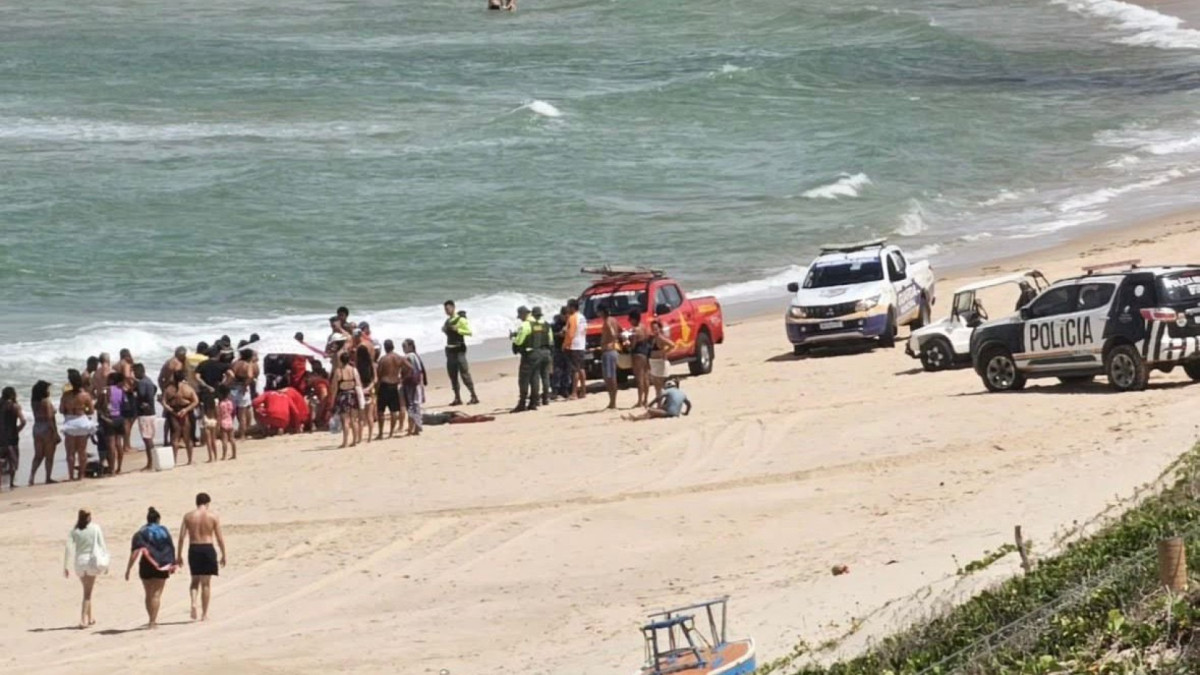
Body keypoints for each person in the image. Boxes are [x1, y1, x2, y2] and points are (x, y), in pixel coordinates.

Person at [178, 492, 227, 622]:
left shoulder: (188, 516)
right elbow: (219, 537)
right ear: (207, 503)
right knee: (206, 583)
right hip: (207, 548)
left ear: (197, 503)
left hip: (194, 549)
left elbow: (181, 538)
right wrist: (223, 554)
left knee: (194, 581)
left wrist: (178, 556)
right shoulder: (213, 516)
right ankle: (204, 614)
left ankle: (194, 602)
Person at [125, 507, 176, 629]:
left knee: (148, 594)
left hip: (146, 564)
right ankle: (153, 621)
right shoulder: (164, 531)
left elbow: (135, 552)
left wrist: (128, 569)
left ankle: (150, 619)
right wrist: (172, 563)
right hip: (161, 564)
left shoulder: (141, 532)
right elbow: (170, 547)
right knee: (157, 594)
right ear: (158, 519)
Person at [64, 509, 109, 628]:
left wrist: (65, 566)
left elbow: (68, 548)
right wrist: (106, 562)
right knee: (87, 593)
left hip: (79, 562)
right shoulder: (95, 528)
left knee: (87, 589)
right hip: (90, 561)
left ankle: (90, 618)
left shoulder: (75, 530)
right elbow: (102, 545)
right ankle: (83, 620)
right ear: (88, 517)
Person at [195, 350, 232, 463]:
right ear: (217, 355)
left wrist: (205, 385)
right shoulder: (222, 365)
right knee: (216, 424)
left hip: (206, 395)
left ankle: (212, 457)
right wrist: (224, 384)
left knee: (208, 427)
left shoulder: (202, 364)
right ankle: (221, 454)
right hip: (217, 394)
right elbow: (231, 374)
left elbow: (197, 377)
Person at [60, 370, 96, 482]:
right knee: (82, 451)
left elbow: (61, 410)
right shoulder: (85, 395)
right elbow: (91, 411)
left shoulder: (66, 395)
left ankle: (71, 476)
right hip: (82, 422)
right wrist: (83, 408)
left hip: (70, 423)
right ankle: (81, 475)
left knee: (70, 452)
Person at [442, 301, 480, 406]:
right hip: (449, 350)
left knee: (465, 374)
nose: (446, 311)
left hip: (459, 350)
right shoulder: (448, 321)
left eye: (448, 308)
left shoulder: (461, 320)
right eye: (445, 309)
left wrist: (458, 329)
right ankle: (457, 398)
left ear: (453, 308)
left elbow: (469, 332)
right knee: (452, 375)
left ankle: (474, 396)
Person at [330, 350, 363, 448]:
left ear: (340, 360)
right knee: (354, 419)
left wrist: (332, 401)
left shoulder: (338, 371)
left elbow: (334, 387)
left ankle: (345, 442)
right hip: (352, 395)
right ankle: (354, 441)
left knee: (345, 420)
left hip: (343, 396)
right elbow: (358, 384)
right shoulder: (354, 370)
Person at [29, 381, 60, 485]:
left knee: (38, 455)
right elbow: (50, 418)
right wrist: (55, 433)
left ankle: (31, 477)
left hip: (37, 427)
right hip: (47, 428)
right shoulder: (46, 401)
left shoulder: (34, 402)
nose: (49, 390)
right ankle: (48, 478)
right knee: (49, 456)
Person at [158, 347, 187, 449]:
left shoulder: (167, 362)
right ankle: (177, 439)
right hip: (175, 391)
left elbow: (160, 378)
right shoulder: (178, 364)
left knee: (168, 417)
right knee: (178, 416)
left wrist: (163, 389)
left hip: (167, 390)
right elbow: (178, 379)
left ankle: (166, 440)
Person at [376, 340, 405, 440]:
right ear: (393, 346)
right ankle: (391, 433)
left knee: (381, 411)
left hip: (384, 385)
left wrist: (376, 388)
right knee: (394, 411)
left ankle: (380, 433)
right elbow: (410, 367)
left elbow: (378, 375)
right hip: (394, 385)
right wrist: (402, 378)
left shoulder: (383, 359)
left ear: (385, 348)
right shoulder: (399, 357)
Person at [623, 379, 691, 421]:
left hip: (670, 414)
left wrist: (650, 404)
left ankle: (636, 419)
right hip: (676, 414)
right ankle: (637, 418)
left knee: (650, 411)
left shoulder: (669, 390)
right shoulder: (682, 393)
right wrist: (686, 413)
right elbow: (689, 404)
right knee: (655, 413)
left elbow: (658, 398)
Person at [169, 370, 199, 465]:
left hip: (175, 412)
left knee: (175, 437)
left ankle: (174, 460)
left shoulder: (169, 389)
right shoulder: (188, 388)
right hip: (186, 413)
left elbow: (164, 402)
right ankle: (190, 460)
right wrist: (186, 410)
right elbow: (196, 401)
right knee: (188, 437)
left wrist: (171, 410)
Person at [510, 306, 536, 412]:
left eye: (520, 316)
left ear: (523, 314)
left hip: (528, 355)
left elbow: (519, 341)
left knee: (523, 380)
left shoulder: (525, 325)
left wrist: (513, 338)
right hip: (538, 353)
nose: (520, 318)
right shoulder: (538, 323)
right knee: (534, 379)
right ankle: (533, 403)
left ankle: (522, 403)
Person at [354, 328, 377, 444]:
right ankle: (369, 438)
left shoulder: (357, 366)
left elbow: (356, 379)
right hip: (370, 388)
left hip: (361, 388)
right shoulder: (371, 364)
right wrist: (369, 387)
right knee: (369, 415)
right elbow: (375, 379)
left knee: (360, 415)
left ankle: (359, 438)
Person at [133, 364, 158, 470]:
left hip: (145, 415)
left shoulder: (142, 383)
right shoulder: (149, 381)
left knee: (147, 440)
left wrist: (134, 394)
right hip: (152, 413)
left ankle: (150, 463)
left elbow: (142, 395)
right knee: (150, 439)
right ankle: (153, 461)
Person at [0, 387, 25, 489]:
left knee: (1, 461)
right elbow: (23, 421)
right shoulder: (15, 406)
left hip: (1, 437)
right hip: (12, 437)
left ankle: (0, 485)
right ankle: (11, 483)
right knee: (13, 461)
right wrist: (17, 430)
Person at [598, 303, 621, 410]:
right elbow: (620, 330)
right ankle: (612, 401)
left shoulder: (607, 321)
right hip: (612, 351)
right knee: (610, 377)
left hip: (609, 351)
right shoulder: (614, 319)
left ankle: (613, 402)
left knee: (609, 378)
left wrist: (612, 340)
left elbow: (613, 333)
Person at [628, 310, 653, 407]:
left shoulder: (635, 330)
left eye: (630, 319)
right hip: (646, 352)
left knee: (639, 378)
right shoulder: (644, 327)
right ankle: (646, 399)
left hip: (638, 353)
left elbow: (633, 345)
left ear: (634, 319)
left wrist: (628, 344)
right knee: (646, 376)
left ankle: (639, 401)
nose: (629, 321)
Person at [231, 348, 256, 440]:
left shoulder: (235, 363)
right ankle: (242, 435)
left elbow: (231, 375)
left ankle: (231, 435)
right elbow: (250, 376)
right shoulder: (247, 365)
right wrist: (246, 385)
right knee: (242, 415)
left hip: (233, 389)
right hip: (242, 390)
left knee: (232, 413)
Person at [402, 339, 426, 436]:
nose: (403, 349)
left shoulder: (409, 356)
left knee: (411, 406)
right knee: (415, 405)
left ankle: (412, 428)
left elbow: (418, 370)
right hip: (414, 382)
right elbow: (420, 370)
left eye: (404, 346)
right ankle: (416, 427)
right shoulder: (415, 356)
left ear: (410, 346)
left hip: (410, 383)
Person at [565, 299, 588, 399]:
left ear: (572, 307)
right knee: (581, 368)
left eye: (568, 307)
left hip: (574, 345)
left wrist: (565, 344)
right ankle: (583, 391)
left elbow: (570, 333)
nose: (567, 308)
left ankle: (574, 392)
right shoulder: (582, 317)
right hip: (581, 344)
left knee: (574, 370)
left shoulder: (573, 318)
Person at [648, 320, 677, 400]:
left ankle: (662, 404)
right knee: (656, 387)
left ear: (659, 329)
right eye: (652, 328)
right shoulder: (653, 338)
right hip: (654, 363)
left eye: (656, 328)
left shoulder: (660, 338)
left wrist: (663, 352)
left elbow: (672, 345)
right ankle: (659, 404)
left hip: (659, 363)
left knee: (660, 386)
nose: (654, 330)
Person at [530, 307, 553, 407]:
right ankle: (546, 398)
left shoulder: (531, 325)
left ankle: (536, 400)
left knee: (535, 376)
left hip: (536, 352)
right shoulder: (547, 325)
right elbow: (551, 340)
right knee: (545, 376)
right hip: (546, 351)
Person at [551, 306, 570, 400]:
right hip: (558, 348)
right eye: (565, 316)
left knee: (567, 369)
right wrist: (560, 334)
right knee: (557, 369)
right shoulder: (556, 323)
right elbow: (552, 334)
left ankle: (565, 389)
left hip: (568, 348)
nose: (566, 318)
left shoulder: (570, 322)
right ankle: (555, 389)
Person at [217, 385, 236, 460]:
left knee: (224, 440)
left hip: (223, 421)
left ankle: (224, 455)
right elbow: (232, 411)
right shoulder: (230, 403)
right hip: (230, 420)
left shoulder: (221, 404)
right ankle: (234, 454)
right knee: (232, 439)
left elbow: (219, 415)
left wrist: (218, 424)